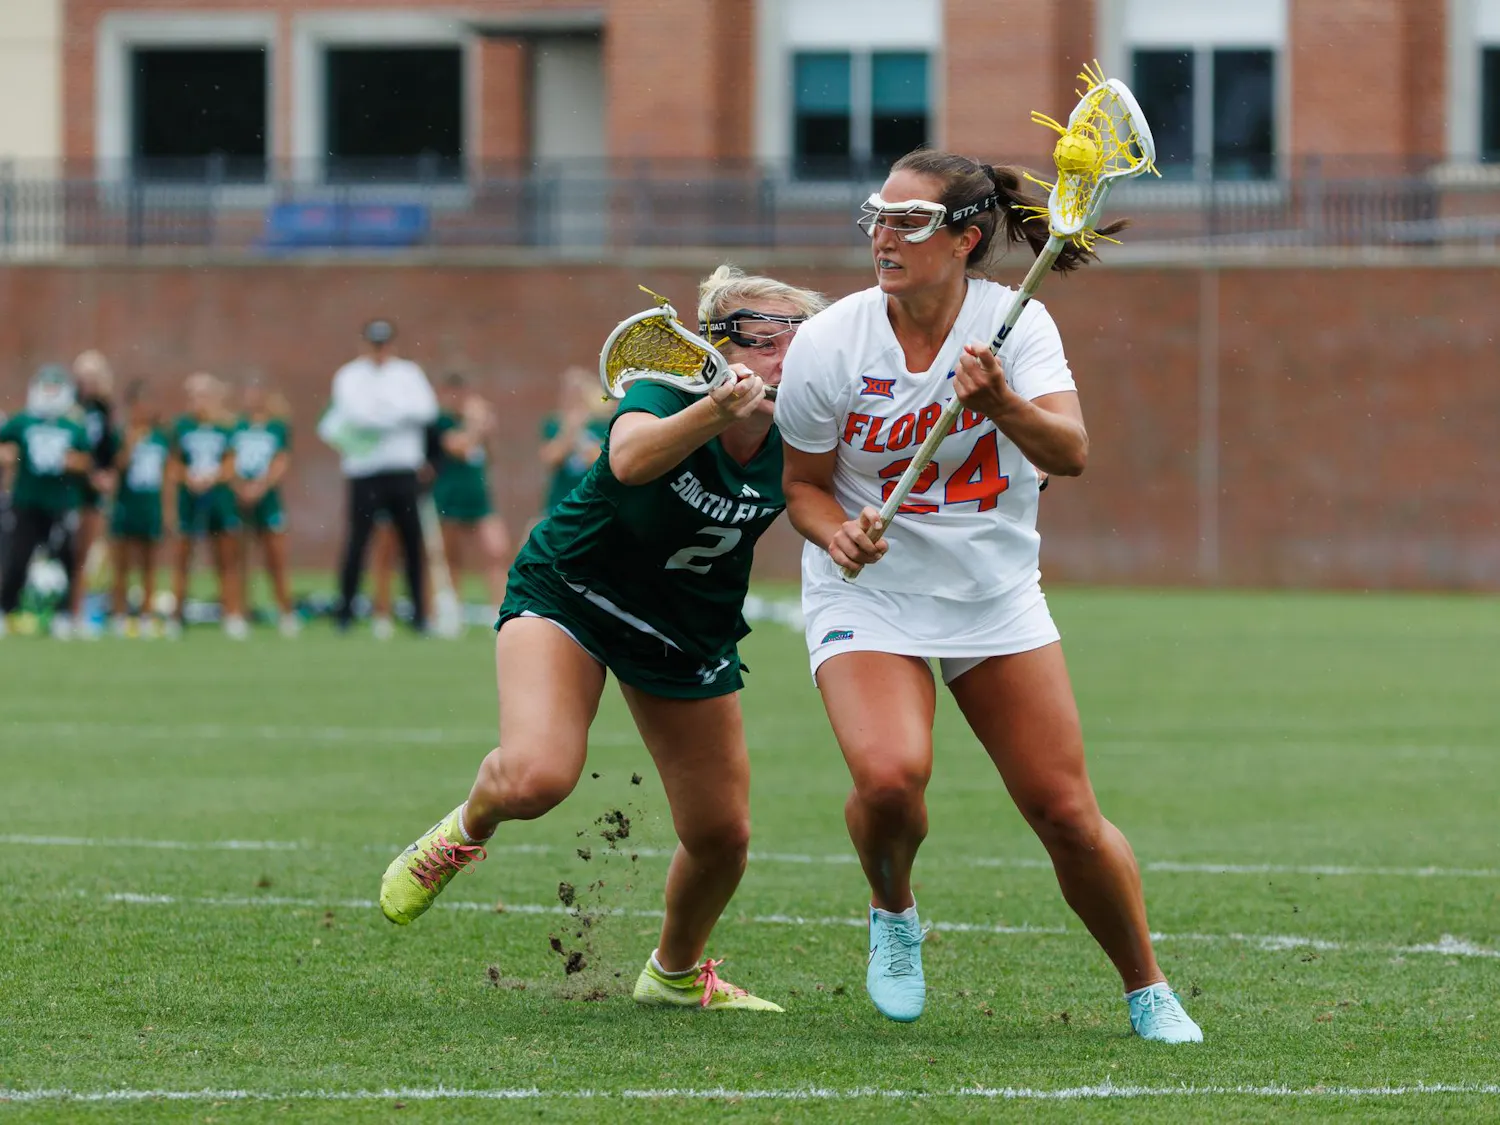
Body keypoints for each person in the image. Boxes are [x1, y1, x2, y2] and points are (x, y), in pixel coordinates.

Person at [775, 150, 1203, 1042]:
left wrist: (1001, 401)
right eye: (875, 217)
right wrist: (836, 533)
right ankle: (893, 911)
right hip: (874, 591)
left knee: (1065, 813)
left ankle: (1147, 986)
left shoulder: (1020, 326)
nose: (882, 236)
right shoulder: (830, 340)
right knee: (891, 778)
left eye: (910, 222)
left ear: (967, 239)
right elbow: (804, 485)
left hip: (992, 593)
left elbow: (1070, 454)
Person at [378, 266, 826, 1011]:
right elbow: (630, 458)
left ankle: (674, 974)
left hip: (685, 631)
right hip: (574, 593)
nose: (788, 354)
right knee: (535, 777)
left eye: (801, 338)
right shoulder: (665, 386)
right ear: (716, 346)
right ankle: (464, 828)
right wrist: (715, 412)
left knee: (722, 835)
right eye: (766, 337)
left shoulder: (813, 430)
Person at [323, 318, 436, 634]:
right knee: (357, 541)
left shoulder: (408, 373)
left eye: (385, 343)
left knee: (412, 543)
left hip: (402, 469)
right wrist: (396, 414)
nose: (380, 350)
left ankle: (419, 615)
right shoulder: (349, 375)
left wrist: (382, 413)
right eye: (374, 343)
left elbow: (426, 411)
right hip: (365, 471)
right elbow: (355, 416)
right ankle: (344, 613)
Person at [0, 366, 92, 639]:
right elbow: (4, 446)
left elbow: (87, 459)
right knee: (18, 557)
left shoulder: (73, 424)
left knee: (65, 558)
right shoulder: (22, 422)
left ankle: (64, 615)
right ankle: (6, 610)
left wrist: (75, 462)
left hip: (60, 501)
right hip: (27, 500)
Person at [168, 372, 246, 639]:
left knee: (226, 558)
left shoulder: (228, 426)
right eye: (192, 395)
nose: (197, 400)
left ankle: (232, 613)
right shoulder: (181, 426)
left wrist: (214, 476)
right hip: (189, 497)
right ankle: (177, 616)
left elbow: (232, 463)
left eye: (202, 395)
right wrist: (188, 477)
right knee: (182, 557)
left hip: (219, 498)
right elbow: (172, 463)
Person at [432, 373, 511, 609]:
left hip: (479, 499)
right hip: (450, 497)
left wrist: (488, 431)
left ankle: (498, 608)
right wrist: (475, 424)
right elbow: (460, 447)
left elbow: (491, 458)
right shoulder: (442, 422)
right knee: (452, 558)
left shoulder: (474, 424)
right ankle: (453, 608)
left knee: (497, 551)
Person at [231, 381, 298, 637]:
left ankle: (285, 612)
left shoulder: (277, 427)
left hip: (268, 499)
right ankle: (240, 611)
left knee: (276, 557)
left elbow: (282, 460)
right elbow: (229, 460)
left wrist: (261, 486)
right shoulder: (236, 427)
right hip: (240, 499)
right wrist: (240, 487)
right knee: (240, 558)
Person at [108, 380, 172, 637]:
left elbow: (167, 474)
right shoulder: (121, 434)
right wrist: (131, 444)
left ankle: (147, 615)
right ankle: (120, 615)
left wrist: (168, 511)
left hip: (150, 504)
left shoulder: (161, 436)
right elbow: (117, 467)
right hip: (127, 505)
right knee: (122, 565)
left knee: (149, 565)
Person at [69, 350, 121, 636]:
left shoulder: (104, 409)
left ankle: (89, 609)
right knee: (75, 552)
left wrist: (108, 474)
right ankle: (72, 610)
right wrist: (90, 474)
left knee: (91, 552)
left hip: (96, 488)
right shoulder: (71, 407)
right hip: (74, 487)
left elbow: (109, 447)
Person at [537, 366, 612, 519]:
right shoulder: (554, 423)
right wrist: (570, 430)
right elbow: (550, 458)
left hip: (593, 501)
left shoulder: (601, 424)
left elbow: (600, 460)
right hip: (559, 501)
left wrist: (580, 435)